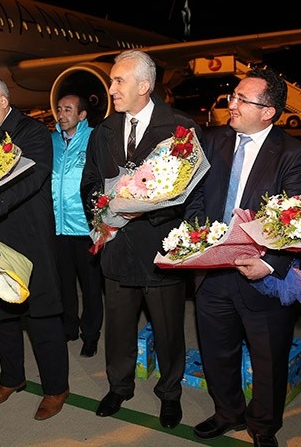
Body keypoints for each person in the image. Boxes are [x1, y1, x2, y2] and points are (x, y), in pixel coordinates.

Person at [186, 67, 301, 447]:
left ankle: (263, 426)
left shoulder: (294, 153)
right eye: (234, 96)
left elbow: (297, 219)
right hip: (211, 270)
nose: (233, 104)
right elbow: (194, 194)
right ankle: (227, 412)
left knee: (268, 359)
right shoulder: (213, 140)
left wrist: (270, 263)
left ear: (269, 112)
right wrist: (197, 240)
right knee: (215, 350)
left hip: (262, 273)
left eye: (244, 99)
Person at [80, 49, 200, 429]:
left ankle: (170, 393)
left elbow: (194, 194)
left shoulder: (179, 128)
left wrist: (147, 209)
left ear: (144, 86)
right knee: (118, 326)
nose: (111, 88)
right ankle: (119, 385)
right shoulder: (104, 130)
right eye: (112, 80)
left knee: (167, 328)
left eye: (119, 81)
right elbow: (90, 180)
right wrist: (101, 205)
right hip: (115, 246)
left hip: (159, 247)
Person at [0, 74, 70, 421]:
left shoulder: (33, 133)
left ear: (3, 101)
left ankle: (56, 388)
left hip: (29, 242)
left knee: (41, 318)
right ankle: (12, 378)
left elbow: (30, 179)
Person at [51, 93, 103, 357]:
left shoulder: (95, 138)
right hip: (59, 227)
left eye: (68, 109)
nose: (61, 114)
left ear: (82, 115)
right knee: (64, 284)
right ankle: (69, 327)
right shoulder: (51, 141)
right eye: (59, 109)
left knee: (91, 286)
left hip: (85, 228)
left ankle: (90, 334)